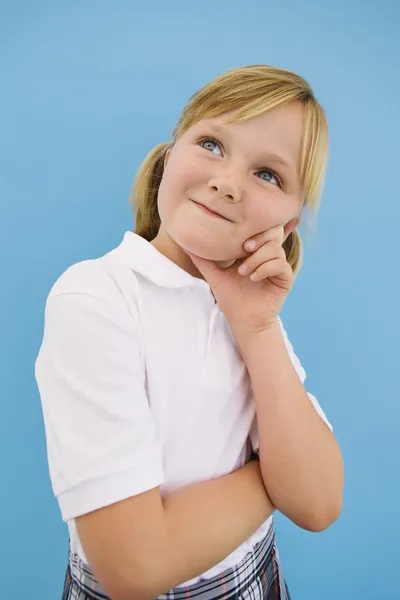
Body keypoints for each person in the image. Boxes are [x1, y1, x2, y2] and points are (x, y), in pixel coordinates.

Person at [35, 64, 344, 600]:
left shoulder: (251, 315)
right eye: (211, 143)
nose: (226, 182)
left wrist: (256, 326)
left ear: (287, 225)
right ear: (168, 157)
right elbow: (135, 566)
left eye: (268, 175)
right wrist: (271, 480)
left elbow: (317, 502)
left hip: (258, 581)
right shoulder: (95, 297)